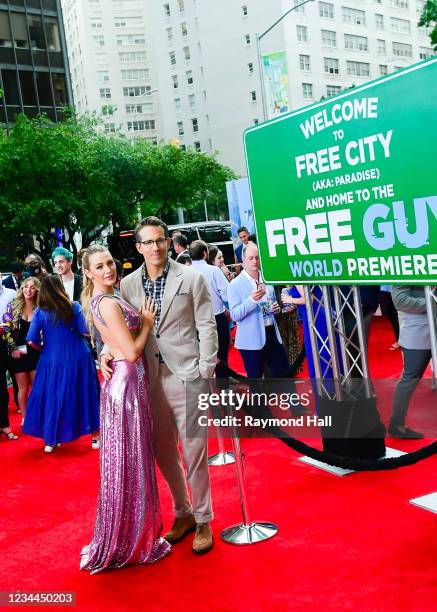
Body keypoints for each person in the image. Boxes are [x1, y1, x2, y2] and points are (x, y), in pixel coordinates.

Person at [101, 216, 217, 554]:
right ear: (138, 247)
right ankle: (184, 513)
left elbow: (207, 327)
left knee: (195, 451)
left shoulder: (192, 278)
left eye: (160, 240)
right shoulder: (129, 286)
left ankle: (204, 518)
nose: (155, 247)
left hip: (188, 375)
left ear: (168, 242)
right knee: (164, 451)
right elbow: (121, 331)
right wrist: (106, 352)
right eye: (148, 242)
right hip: (148, 380)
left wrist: (205, 370)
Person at [80, 244, 171, 574]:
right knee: (131, 460)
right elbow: (132, 352)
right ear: (88, 272)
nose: (108, 269)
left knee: (129, 461)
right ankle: (131, 539)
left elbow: (113, 341)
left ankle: (130, 533)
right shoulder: (107, 301)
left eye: (109, 263)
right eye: (99, 266)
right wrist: (146, 322)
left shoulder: (104, 299)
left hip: (124, 381)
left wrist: (104, 352)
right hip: (127, 384)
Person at [23, 275, 100, 453]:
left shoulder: (40, 312)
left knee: (52, 398)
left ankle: (50, 440)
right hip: (79, 357)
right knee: (87, 394)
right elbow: (87, 332)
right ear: (60, 288)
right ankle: (95, 437)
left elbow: (31, 341)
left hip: (51, 360)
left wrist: (44, 348)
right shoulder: (74, 306)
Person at [228, 244, 289, 378]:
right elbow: (234, 315)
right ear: (243, 260)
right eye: (251, 258)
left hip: (271, 333)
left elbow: (272, 302)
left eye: (257, 258)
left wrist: (276, 308)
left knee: (285, 375)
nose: (255, 261)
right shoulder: (235, 284)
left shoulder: (267, 278)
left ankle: (292, 400)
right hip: (250, 340)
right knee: (257, 383)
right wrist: (251, 300)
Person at [388, 286, 433, 439]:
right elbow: (400, 301)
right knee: (409, 378)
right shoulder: (406, 264)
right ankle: (397, 425)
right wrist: (432, 301)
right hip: (417, 331)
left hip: (430, 327)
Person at [2, 277, 41, 421]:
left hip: (36, 353)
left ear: (37, 290)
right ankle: (25, 418)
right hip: (18, 353)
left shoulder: (41, 307)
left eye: (32, 287)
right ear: (22, 288)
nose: (28, 290)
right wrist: (12, 349)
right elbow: (7, 331)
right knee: (22, 388)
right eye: (25, 287)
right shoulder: (12, 306)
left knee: (37, 388)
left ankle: (38, 416)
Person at [190, 240, 230, 378]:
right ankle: (223, 390)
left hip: (193, 322)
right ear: (205, 253)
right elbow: (226, 294)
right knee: (221, 356)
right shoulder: (214, 271)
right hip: (216, 319)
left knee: (199, 357)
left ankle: (205, 391)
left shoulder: (186, 273)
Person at [0, 276, 18, 440]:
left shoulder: (11, 293)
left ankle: (5, 425)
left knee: (2, 387)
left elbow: (14, 317)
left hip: (4, 342)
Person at [379, 285, 400, 350]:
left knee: (397, 316)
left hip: (398, 289)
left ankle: (400, 341)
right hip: (384, 289)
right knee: (390, 316)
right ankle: (398, 340)